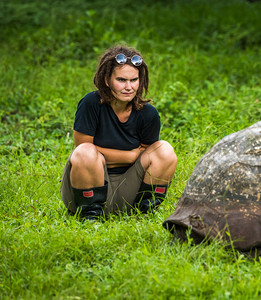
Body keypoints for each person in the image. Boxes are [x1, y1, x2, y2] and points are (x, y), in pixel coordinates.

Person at [60, 45, 177, 220]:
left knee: (165, 150)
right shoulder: (91, 103)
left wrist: (107, 154)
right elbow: (83, 150)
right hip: (88, 186)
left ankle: (143, 214)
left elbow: (148, 156)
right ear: (107, 80)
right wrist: (130, 156)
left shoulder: (148, 114)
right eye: (121, 80)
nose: (128, 87)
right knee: (85, 152)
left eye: (134, 80)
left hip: (128, 190)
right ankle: (90, 218)